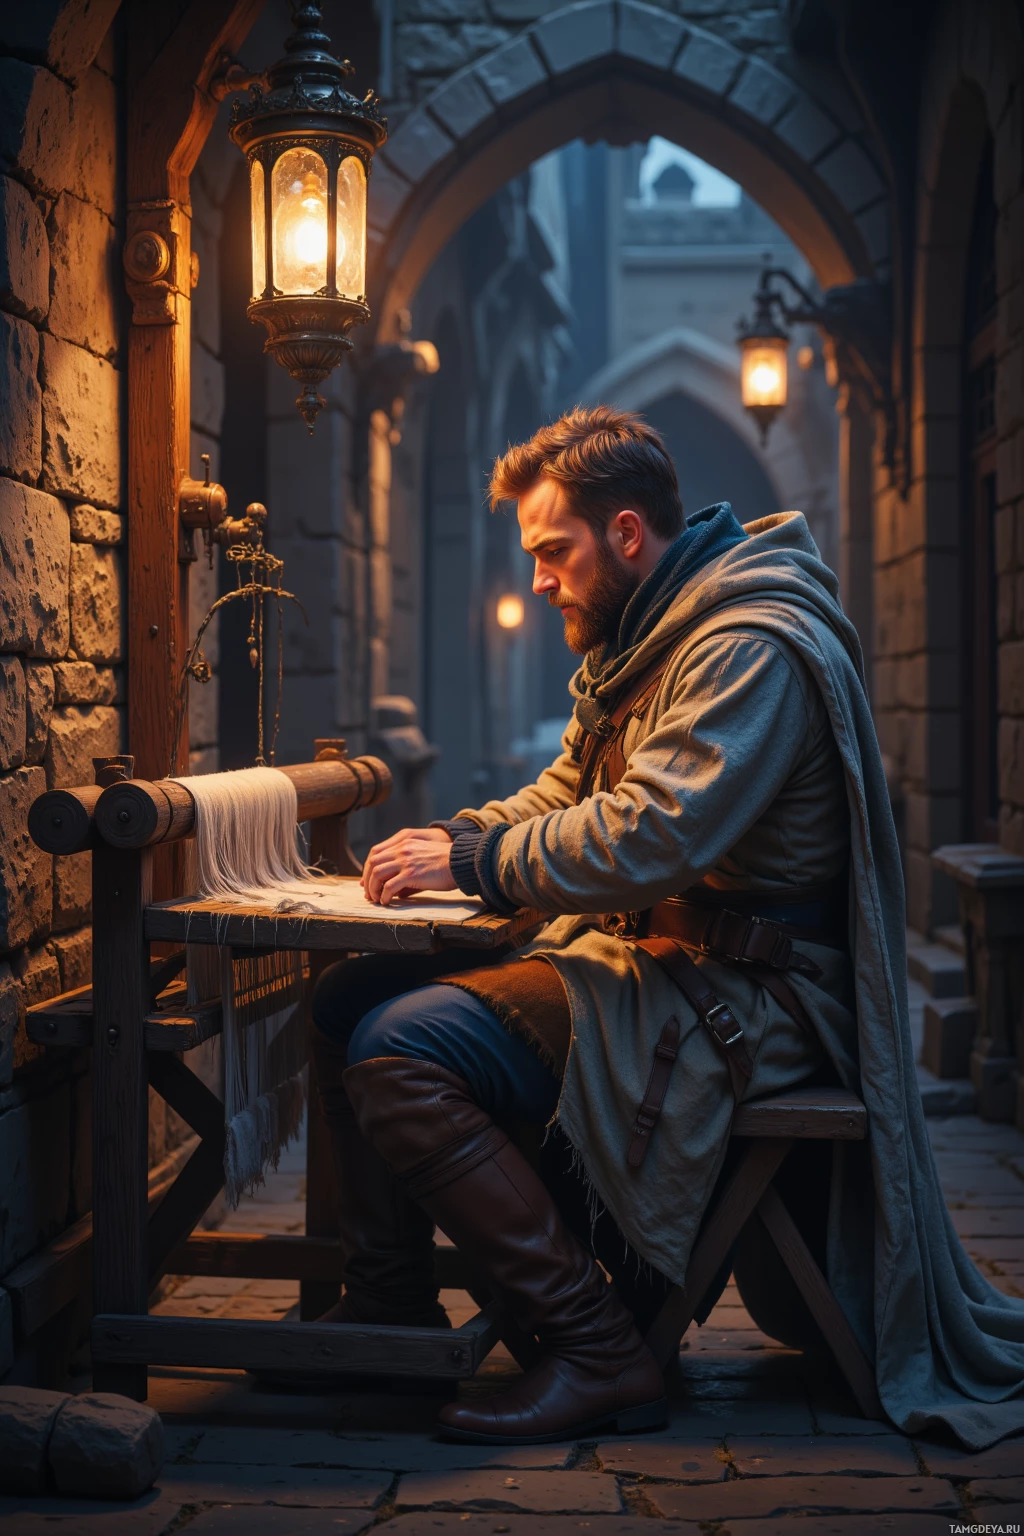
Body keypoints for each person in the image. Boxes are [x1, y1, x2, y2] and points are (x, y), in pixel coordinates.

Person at [312, 407, 1024, 1450]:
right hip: (660, 967)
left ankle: (595, 1347)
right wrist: (463, 834)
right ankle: (388, 1306)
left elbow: (652, 835)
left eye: (554, 553)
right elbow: (569, 788)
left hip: (753, 996)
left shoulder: (743, 644)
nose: (541, 580)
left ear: (628, 534)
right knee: (347, 1001)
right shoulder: (649, 634)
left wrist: (474, 866)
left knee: (405, 1047)